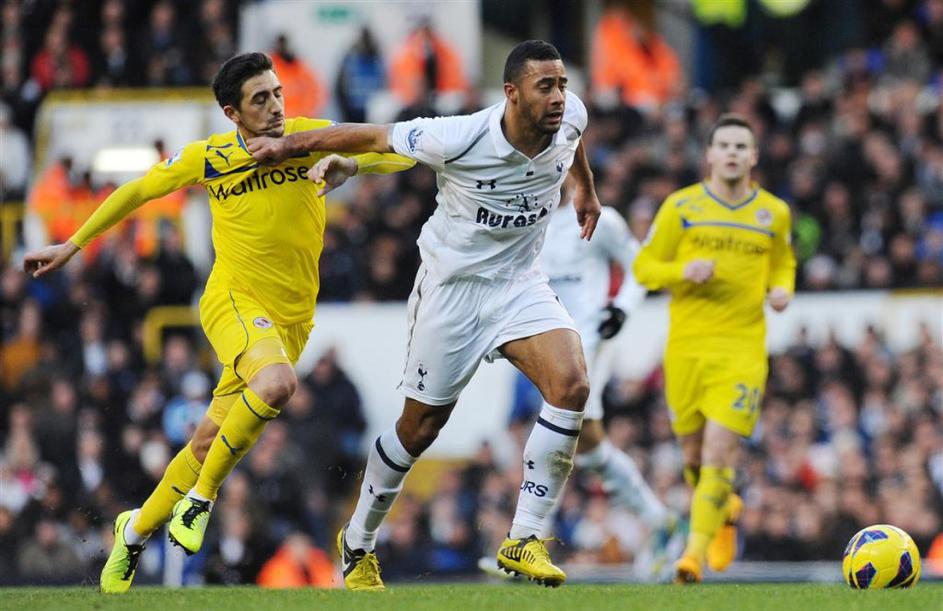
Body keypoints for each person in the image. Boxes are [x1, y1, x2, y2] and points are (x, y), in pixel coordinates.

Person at [23, 52, 414, 594]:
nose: (276, 107)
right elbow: (138, 191)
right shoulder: (210, 158)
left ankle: (131, 533)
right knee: (277, 384)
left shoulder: (308, 138)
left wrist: (352, 164)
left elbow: (396, 153)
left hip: (290, 321)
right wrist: (73, 244)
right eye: (260, 99)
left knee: (208, 441)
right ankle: (200, 501)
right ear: (233, 113)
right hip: (233, 301)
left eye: (277, 93)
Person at [250, 40, 602, 590]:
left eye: (561, 84)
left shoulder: (570, 115)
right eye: (545, 87)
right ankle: (358, 539)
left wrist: (585, 190)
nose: (559, 96)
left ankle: (525, 537)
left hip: (519, 284)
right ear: (512, 94)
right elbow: (372, 135)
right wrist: (287, 145)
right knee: (419, 430)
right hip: (452, 293)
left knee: (573, 383)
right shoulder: (459, 136)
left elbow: (573, 144)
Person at [633, 113, 796, 583]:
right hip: (687, 349)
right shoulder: (681, 207)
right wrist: (682, 272)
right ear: (709, 155)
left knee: (719, 450)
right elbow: (644, 267)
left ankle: (693, 554)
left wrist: (782, 290)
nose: (732, 153)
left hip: (742, 349)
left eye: (741, 146)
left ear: (754, 156)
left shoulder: (773, 213)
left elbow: (783, 263)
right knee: (693, 457)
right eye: (724, 145)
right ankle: (722, 511)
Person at [539, 177, 680, 573]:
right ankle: (660, 520)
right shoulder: (532, 219)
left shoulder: (599, 218)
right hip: (548, 345)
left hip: (590, 341)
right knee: (590, 448)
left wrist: (620, 310)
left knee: (552, 431)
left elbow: (640, 267)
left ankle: (529, 540)